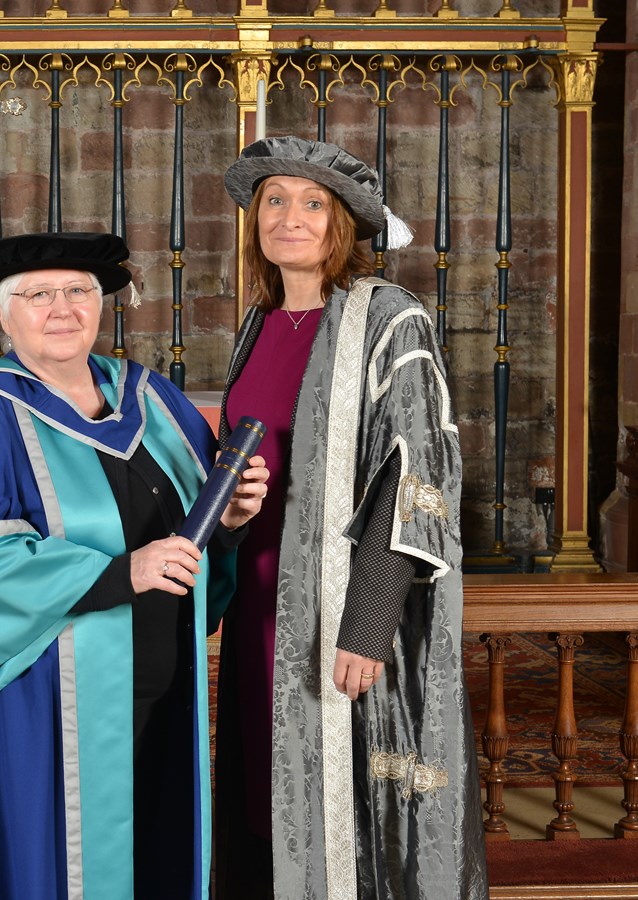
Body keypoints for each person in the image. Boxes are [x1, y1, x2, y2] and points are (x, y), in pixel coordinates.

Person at [0, 232, 268, 900]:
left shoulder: (154, 399)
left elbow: (193, 546)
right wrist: (122, 573)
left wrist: (230, 523)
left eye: (79, 290)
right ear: (2, 313)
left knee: (157, 856)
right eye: (39, 294)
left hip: (164, 689)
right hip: (43, 702)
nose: (63, 308)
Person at [212, 135, 489, 899]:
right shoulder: (258, 324)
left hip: (350, 613)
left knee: (355, 806)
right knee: (271, 794)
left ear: (343, 226)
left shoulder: (389, 319)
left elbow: (416, 477)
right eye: (274, 201)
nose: (288, 218)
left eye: (310, 204)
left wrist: (368, 625)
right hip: (264, 600)